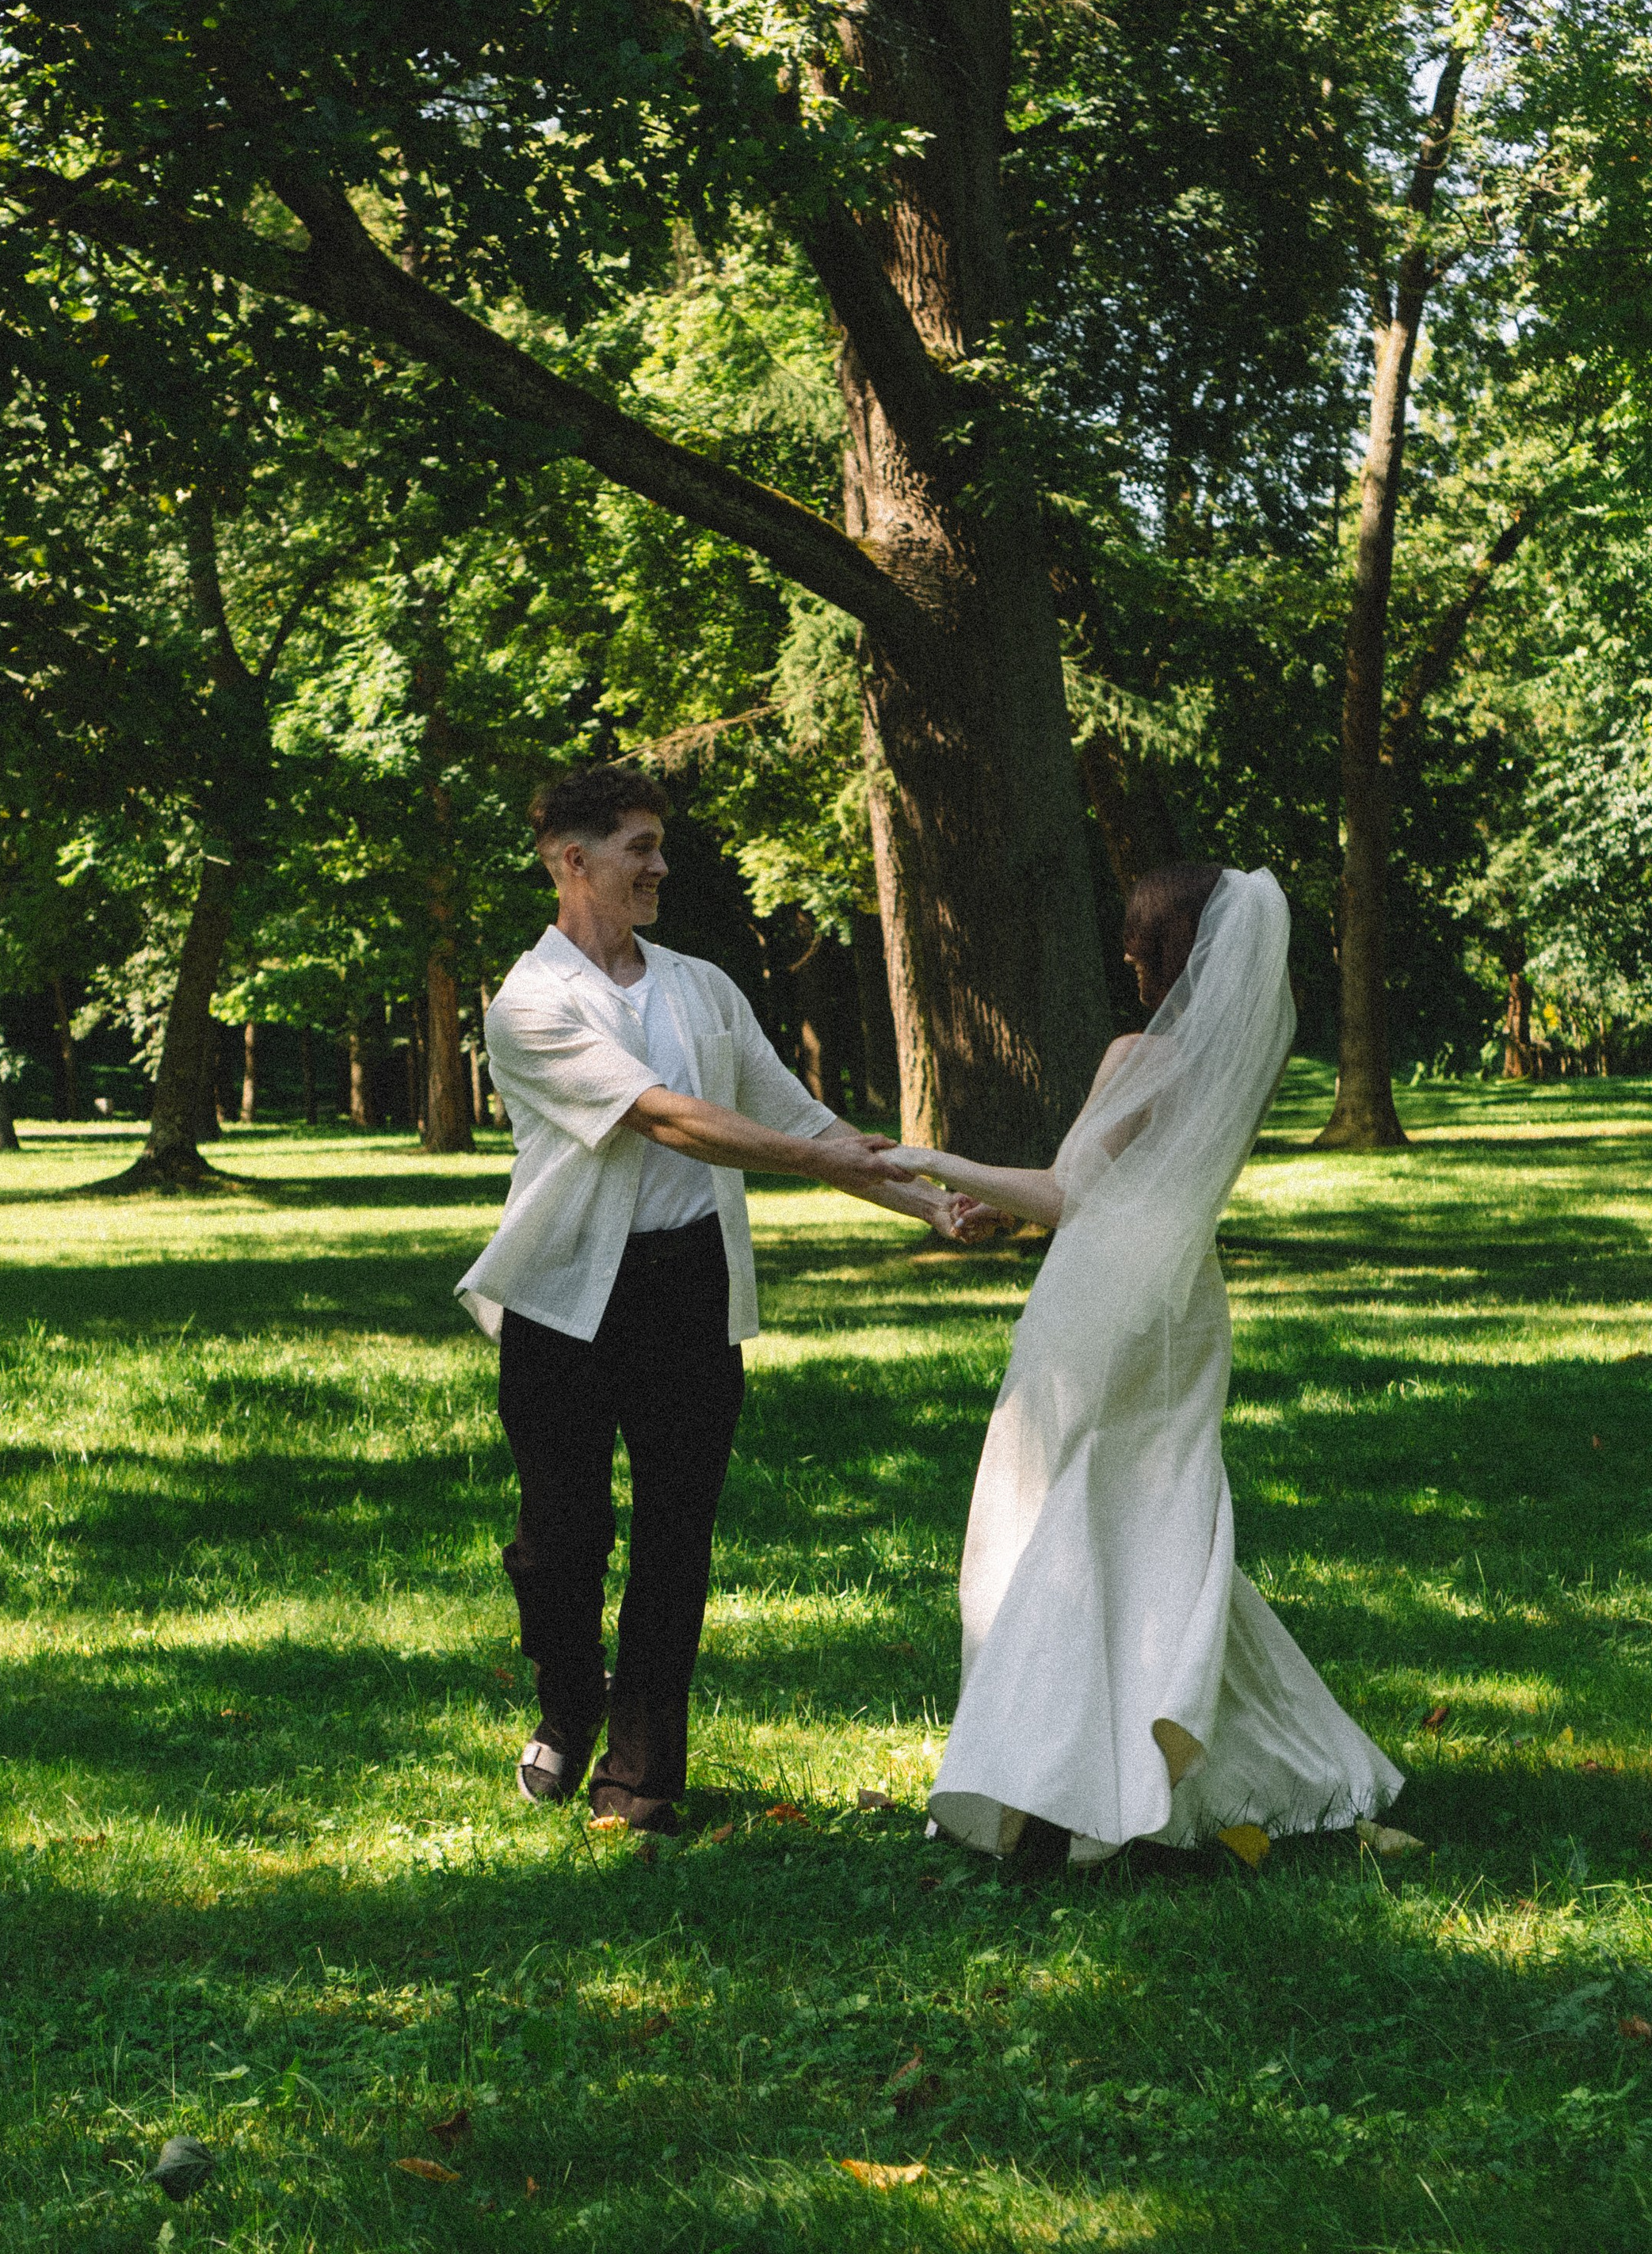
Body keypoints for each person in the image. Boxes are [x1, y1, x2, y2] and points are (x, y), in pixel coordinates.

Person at [868, 862, 1410, 1868]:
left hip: (1100, 1308)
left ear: (1173, 948)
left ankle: (1045, 1781)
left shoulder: (1135, 1053)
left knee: (1052, 1518)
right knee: (1149, 1525)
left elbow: (1071, 1195)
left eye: (1138, 937)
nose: (1126, 954)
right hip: (1181, 1305)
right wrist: (1008, 1202)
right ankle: (1204, 1765)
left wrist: (934, 1163)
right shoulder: (1248, 1055)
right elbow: (1120, 1191)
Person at [460, 763, 961, 1835]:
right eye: (638, 847)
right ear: (570, 859)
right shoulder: (530, 1003)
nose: (659, 866)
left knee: (677, 1537)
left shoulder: (701, 986)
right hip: (563, 1295)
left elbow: (804, 1116)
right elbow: (670, 1118)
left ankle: (640, 1785)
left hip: (687, 1283)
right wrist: (813, 1162)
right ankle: (568, 1702)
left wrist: (935, 1210)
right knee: (561, 1542)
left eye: (657, 844)